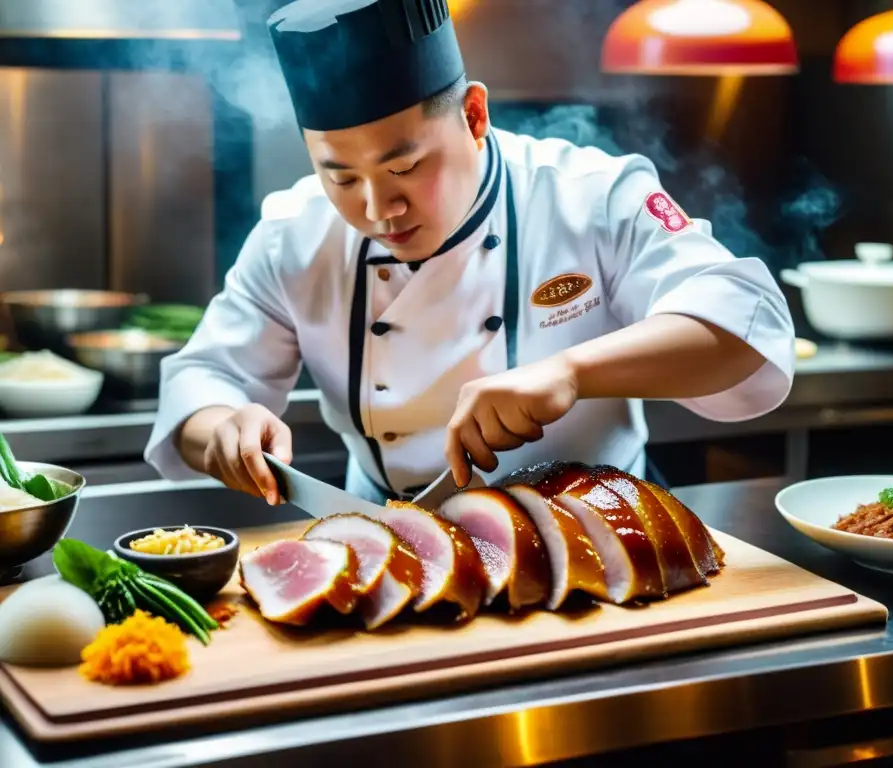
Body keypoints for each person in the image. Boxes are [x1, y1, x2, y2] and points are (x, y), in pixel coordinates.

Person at [143, 0, 796, 506]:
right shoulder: (296, 233)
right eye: (340, 177)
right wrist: (223, 427)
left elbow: (749, 325)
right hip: (395, 550)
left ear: (475, 115)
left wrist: (570, 373)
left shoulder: (591, 196)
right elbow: (204, 381)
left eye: (406, 167)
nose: (377, 209)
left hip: (599, 536)